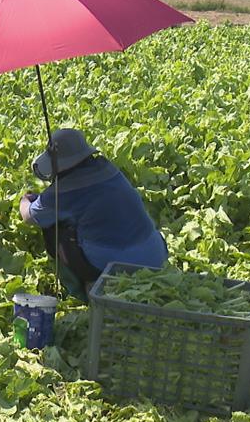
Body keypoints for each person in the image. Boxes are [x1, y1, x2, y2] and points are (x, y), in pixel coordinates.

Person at [18, 128, 167, 302]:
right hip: (155, 256)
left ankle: (90, 287)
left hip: (115, 265)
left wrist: (25, 199)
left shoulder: (62, 191)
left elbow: (29, 216)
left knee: (55, 230)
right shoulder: (108, 168)